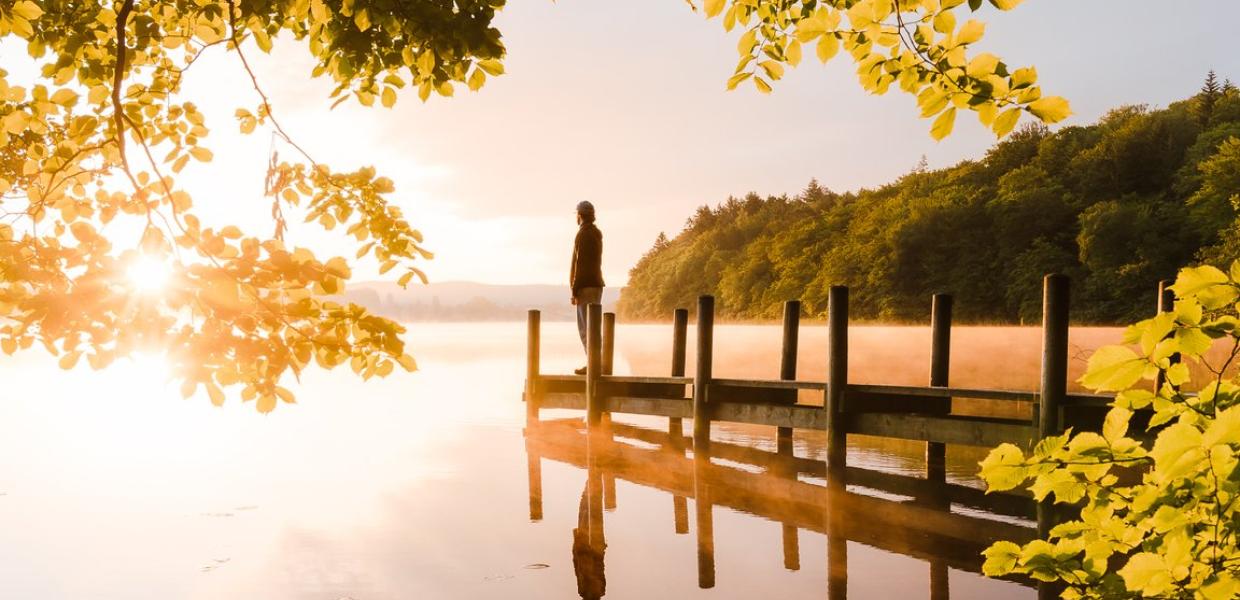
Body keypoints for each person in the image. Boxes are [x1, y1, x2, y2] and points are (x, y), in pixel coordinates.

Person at [570, 201, 604, 375]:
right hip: (597, 284)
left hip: (586, 286)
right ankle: (596, 364)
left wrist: (575, 289)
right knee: (593, 327)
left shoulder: (583, 234)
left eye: (576, 214)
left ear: (580, 215)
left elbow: (580, 264)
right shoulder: (596, 233)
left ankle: (593, 365)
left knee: (586, 328)